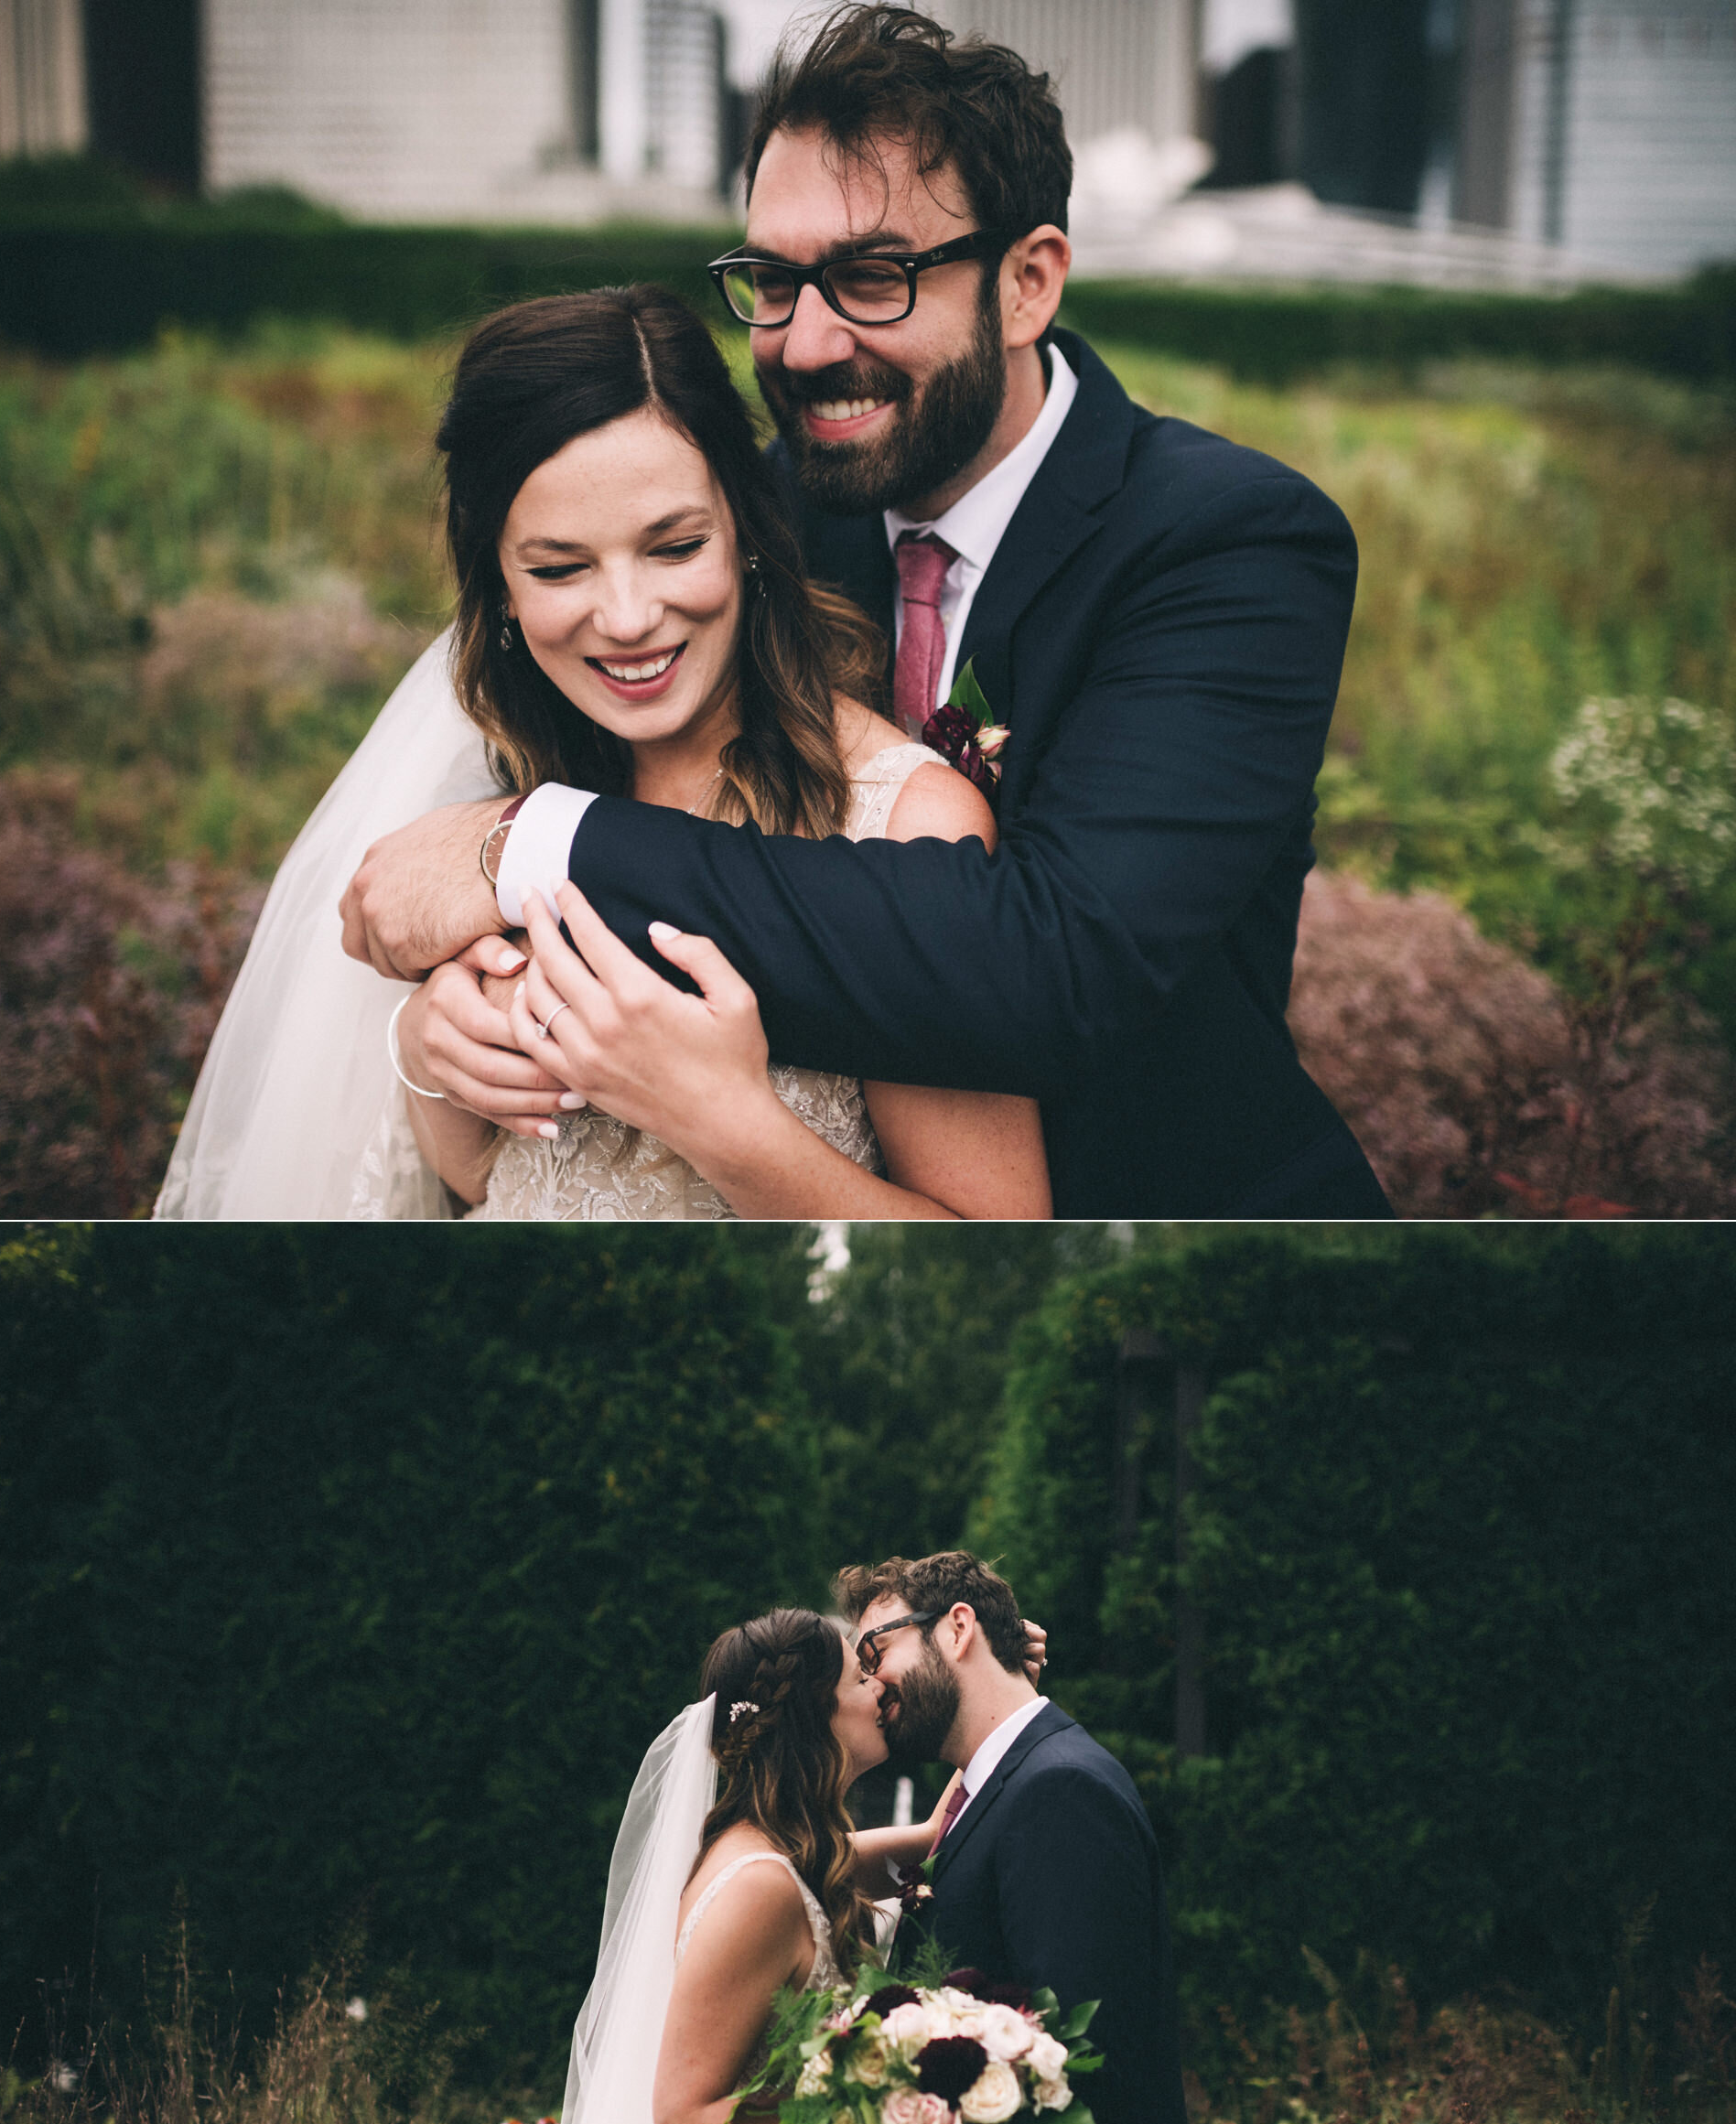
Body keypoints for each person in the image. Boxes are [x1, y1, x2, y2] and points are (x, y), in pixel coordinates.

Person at [337, 4, 1393, 1223]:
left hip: (1172, 1267)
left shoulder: (1227, 545)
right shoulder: (748, 527)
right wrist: (453, 1026)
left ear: (1028, 281)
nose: (805, 341)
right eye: (774, 282)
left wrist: (530, 850)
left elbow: (1053, 968)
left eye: (872, 277)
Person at [156, 286, 1048, 1219]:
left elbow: (998, 1246)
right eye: (558, 568)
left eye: (673, 546)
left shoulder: (900, 825)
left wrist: (720, 1120)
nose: (626, 620)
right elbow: (504, 1188)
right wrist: (430, 1058)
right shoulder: (481, 795)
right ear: (495, 582)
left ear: (744, 528)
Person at [512, 1604, 1045, 2124]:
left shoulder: (796, 1853)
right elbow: (679, 2113)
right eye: (859, 1676)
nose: (880, 1686)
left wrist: (1001, 1689)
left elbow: (912, 1843)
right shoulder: (759, 1886)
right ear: (813, 1717)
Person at [825, 1552, 1213, 2124]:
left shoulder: (1058, 1788)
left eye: (875, 1645)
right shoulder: (991, 1788)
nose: (870, 1678)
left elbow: (1075, 2039)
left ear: (956, 1627)